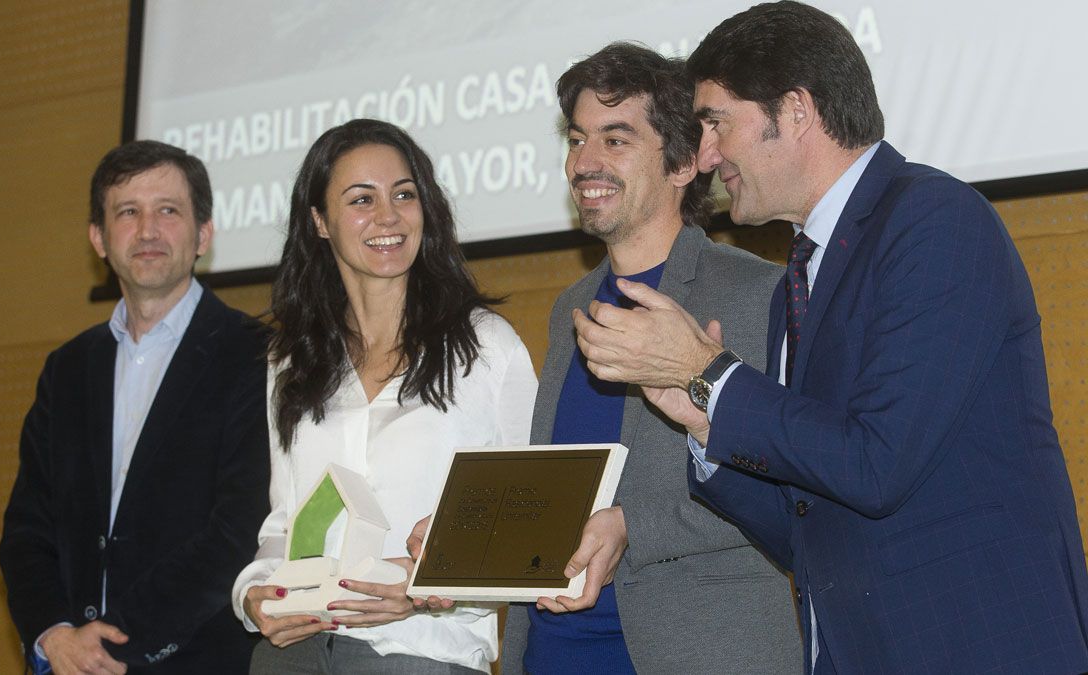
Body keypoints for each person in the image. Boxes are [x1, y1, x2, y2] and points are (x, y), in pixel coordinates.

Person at [572, 3, 1088, 673]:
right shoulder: (806, 266)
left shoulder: (935, 220)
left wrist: (713, 373)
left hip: (972, 644)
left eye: (717, 123)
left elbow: (877, 463)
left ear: (793, 111)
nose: (706, 154)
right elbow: (809, 524)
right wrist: (705, 423)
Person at [498, 43, 800, 675]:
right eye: (578, 140)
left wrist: (636, 526)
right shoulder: (569, 309)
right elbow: (566, 492)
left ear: (685, 162)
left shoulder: (756, 295)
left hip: (698, 652)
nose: (585, 162)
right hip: (553, 654)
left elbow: (792, 490)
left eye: (616, 139)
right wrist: (466, 536)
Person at [230, 118, 538, 674]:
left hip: (420, 652)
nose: (388, 216)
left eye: (403, 194)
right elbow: (284, 523)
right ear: (320, 222)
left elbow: (533, 523)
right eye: (360, 200)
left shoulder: (487, 346)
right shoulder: (292, 360)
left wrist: (425, 587)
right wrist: (252, 596)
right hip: (294, 655)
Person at [0, 140, 271, 674]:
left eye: (168, 211)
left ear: (204, 234)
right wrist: (55, 635)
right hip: (68, 660)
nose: (148, 230)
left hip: (194, 660)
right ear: (99, 238)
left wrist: (118, 644)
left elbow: (239, 526)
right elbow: (27, 529)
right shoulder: (67, 369)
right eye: (128, 212)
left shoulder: (255, 353)